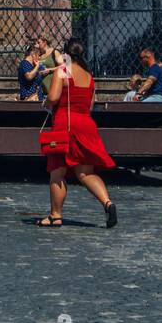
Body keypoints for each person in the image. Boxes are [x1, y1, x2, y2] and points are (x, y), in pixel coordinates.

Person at [38, 38, 117, 229]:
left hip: (65, 123)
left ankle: (55, 215)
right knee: (85, 172)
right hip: (86, 124)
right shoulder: (89, 77)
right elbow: (90, 104)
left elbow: (55, 96)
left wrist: (46, 102)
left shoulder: (63, 71)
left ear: (66, 53)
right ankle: (108, 203)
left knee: (57, 172)